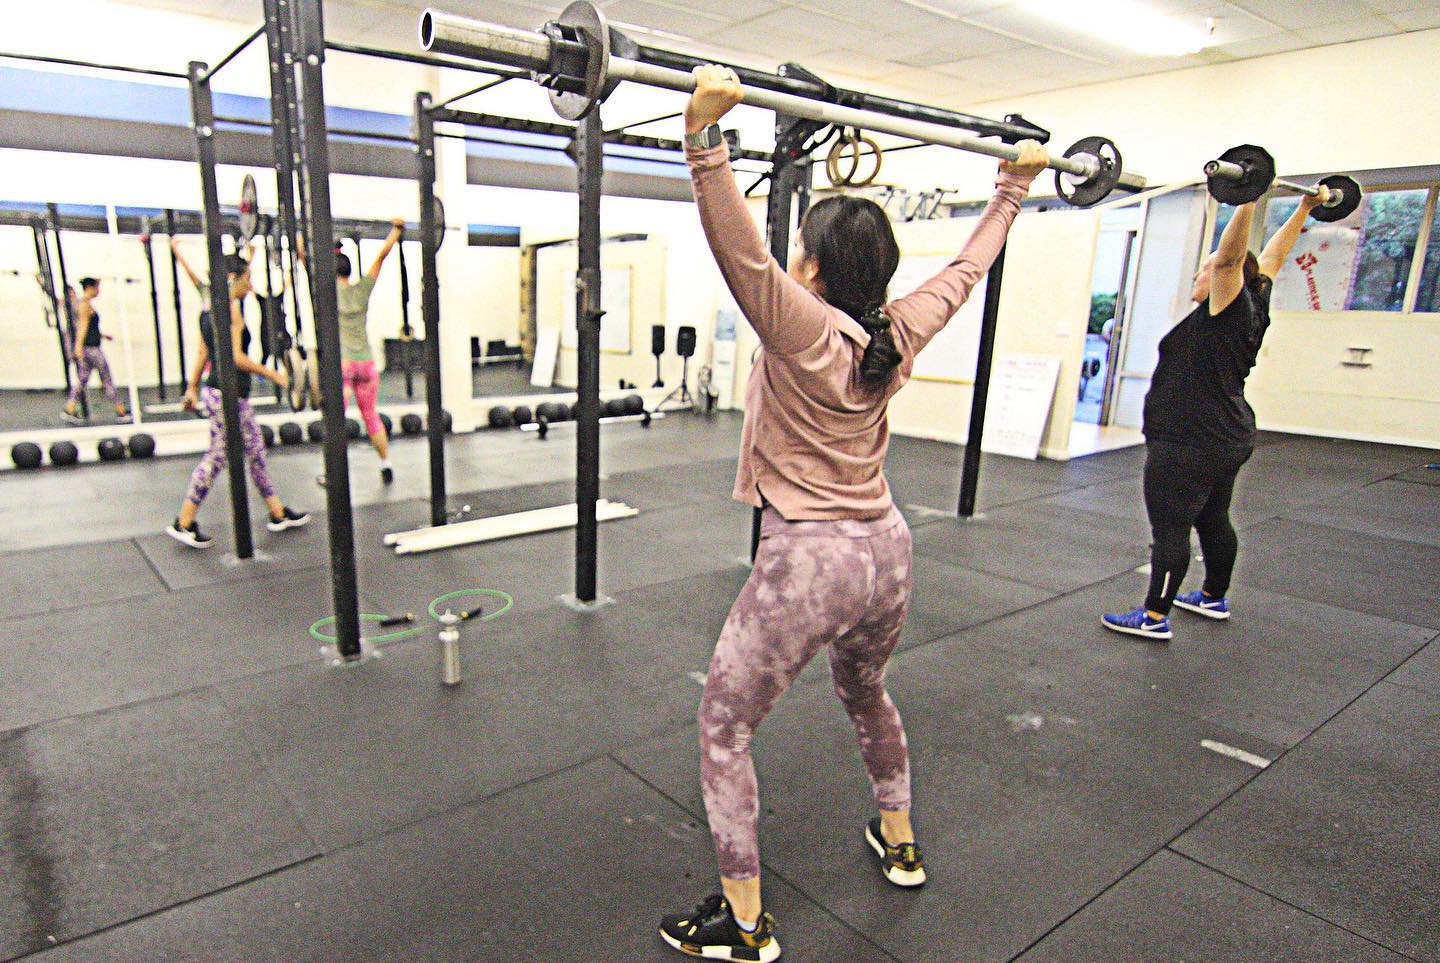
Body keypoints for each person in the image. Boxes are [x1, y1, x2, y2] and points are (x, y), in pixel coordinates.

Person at [657, 66, 1047, 962]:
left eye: (800, 252)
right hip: (887, 552)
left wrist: (703, 141)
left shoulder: (800, 326)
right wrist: (1013, 188)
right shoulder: (897, 331)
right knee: (865, 689)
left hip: (811, 563)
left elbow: (739, 254)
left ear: (813, 268)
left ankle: (744, 924)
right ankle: (899, 840)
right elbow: (968, 269)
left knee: (724, 728)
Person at [1101, 185, 1333, 640]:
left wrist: (1247, 197)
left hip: (1190, 441)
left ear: (1230, 279)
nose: (1199, 273)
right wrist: (1304, 208)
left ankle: (1154, 616)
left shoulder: (1226, 310)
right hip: (1227, 436)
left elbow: (1232, 261)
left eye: (1206, 268)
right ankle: (1212, 597)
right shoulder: (1255, 303)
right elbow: (1272, 258)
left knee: (1170, 528)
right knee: (1212, 517)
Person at [166, 248, 308, 548]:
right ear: (233, 279)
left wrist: (192, 388)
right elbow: (235, 357)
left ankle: (278, 513)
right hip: (226, 394)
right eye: (247, 279)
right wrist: (276, 376)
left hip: (222, 392)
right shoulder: (231, 310)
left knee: (255, 451)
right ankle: (184, 521)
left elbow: (203, 353)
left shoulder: (207, 310)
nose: (250, 285)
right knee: (217, 456)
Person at [326, 218, 405, 486]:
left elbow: (303, 258)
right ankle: (386, 463)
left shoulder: (329, 293)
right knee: (371, 416)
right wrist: (396, 231)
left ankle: (335, 472)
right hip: (367, 364)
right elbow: (382, 256)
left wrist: (302, 239)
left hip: (345, 365)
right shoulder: (362, 290)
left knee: (336, 418)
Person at [61, 277, 130, 424]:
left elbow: (89, 329)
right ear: (90, 288)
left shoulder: (84, 303)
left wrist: (102, 335)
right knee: (106, 379)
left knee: (82, 380)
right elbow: (83, 327)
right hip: (92, 350)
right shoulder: (84, 305)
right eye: (97, 287)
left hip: (88, 348)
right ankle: (121, 411)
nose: (99, 291)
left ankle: (69, 409)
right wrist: (78, 347)